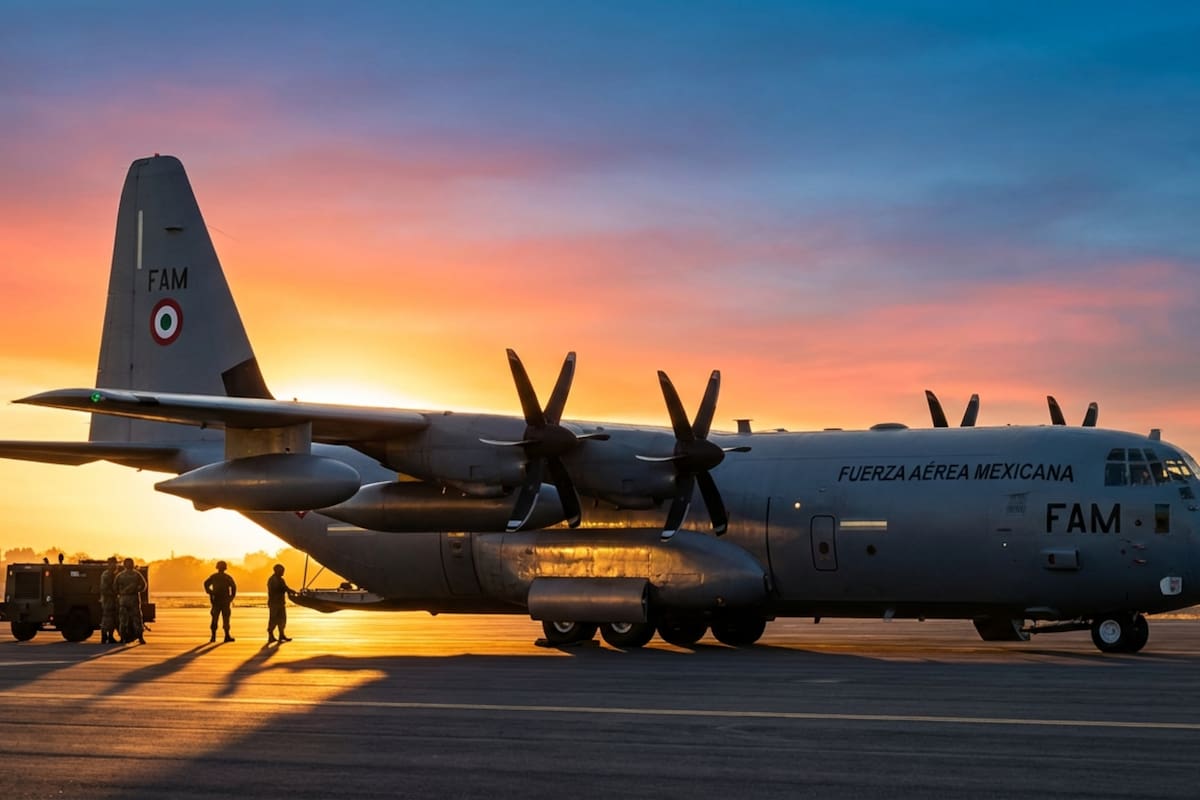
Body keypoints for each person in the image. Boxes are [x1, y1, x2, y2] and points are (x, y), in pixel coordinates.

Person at [113, 557, 147, 645]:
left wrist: (121, 593)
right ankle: (140, 637)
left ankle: (123, 638)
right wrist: (136, 589)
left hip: (124, 599)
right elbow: (143, 586)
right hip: (133, 599)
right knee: (137, 619)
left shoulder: (120, 575)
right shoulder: (136, 574)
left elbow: (115, 588)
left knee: (123, 620)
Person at [203, 560, 237, 643]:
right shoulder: (227, 577)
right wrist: (231, 597)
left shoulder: (214, 577)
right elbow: (233, 587)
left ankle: (213, 637)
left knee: (215, 618)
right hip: (224, 601)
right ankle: (226, 636)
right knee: (225, 619)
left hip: (217, 600)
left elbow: (206, 584)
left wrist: (210, 592)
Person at [266, 564, 297, 643]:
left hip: (280, 603)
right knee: (273, 620)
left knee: (282, 619)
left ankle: (281, 635)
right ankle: (271, 636)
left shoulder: (281, 580)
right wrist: (289, 591)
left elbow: (285, 588)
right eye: (282, 571)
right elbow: (279, 589)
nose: (283, 572)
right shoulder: (272, 580)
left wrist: (292, 591)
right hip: (274, 604)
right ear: (277, 571)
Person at [98, 556, 119, 644]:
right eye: (113, 563)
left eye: (115, 563)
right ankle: (104, 636)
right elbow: (104, 588)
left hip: (112, 599)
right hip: (108, 599)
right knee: (107, 618)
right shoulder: (106, 575)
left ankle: (110, 636)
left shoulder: (113, 574)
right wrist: (113, 593)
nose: (114, 565)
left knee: (113, 618)